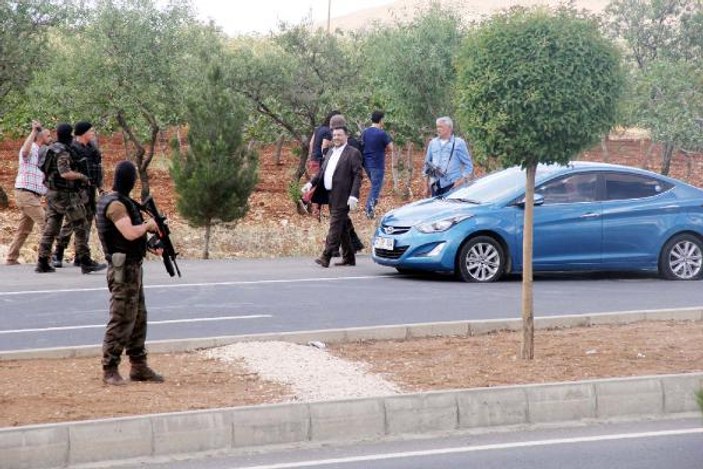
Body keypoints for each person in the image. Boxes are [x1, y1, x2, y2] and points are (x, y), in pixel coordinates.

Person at [96, 160, 163, 385]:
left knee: (138, 318)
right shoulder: (115, 205)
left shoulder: (122, 201)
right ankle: (110, 368)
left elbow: (134, 238)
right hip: (122, 270)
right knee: (122, 318)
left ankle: (139, 365)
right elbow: (129, 233)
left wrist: (151, 245)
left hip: (133, 267)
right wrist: (148, 226)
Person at [35, 123, 104, 274]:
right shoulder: (62, 151)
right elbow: (65, 173)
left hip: (52, 193)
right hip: (66, 194)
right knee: (80, 225)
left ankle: (42, 261)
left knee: (51, 228)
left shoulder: (50, 148)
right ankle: (85, 260)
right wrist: (82, 177)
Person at [302, 126, 362, 268]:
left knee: (335, 226)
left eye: (339, 135)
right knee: (342, 226)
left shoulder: (353, 153)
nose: (336, 137)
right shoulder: (329, 152)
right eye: (334, 135)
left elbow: (358, 176)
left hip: (343, 195)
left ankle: (326, 256)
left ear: (346, 136)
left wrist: (354, 195)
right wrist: (310, 184)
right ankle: (349, 257)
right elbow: (322, 172)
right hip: (330, 194)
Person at [5, 120, 52, 265]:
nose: (51, 138)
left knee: (24, 230)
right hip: (26, 193)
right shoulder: (31, 148)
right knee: (46, 224)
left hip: (33, 195)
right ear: (40, 137)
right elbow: (24, 152)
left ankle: (11, 258)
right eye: (48, 136)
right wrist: (33, 131)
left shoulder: (43, 153)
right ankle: (46, 258)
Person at [423, 116, 473, 197]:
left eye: (441, 127)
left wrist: (461, 181)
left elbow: (469, 166)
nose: (438, 129)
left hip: (452, 185)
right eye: (437, 127)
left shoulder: (459, 143)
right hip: (435, 185)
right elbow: (427, 165)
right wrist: (426, 186)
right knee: (436, 209)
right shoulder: (433, 143)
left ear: (449, 128)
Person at [304, 110, 339, 217]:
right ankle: (304, 199)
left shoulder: (318, 129)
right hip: (320, 161)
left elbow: (311, 143)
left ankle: (316, 212)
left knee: (320, 186)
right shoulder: (328, 132)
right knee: (318, 185)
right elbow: (324, 147)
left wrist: (312, 155)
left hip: (313, 159)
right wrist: (326, 160)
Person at [360, 110, 393, 219]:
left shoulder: (365, 132)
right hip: (377, 164)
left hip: (366, 164)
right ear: (381, 120)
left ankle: (372, 205)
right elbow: (391, 148)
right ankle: (369, 210)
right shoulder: (382, 133)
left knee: (376, 186)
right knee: (376, 187)